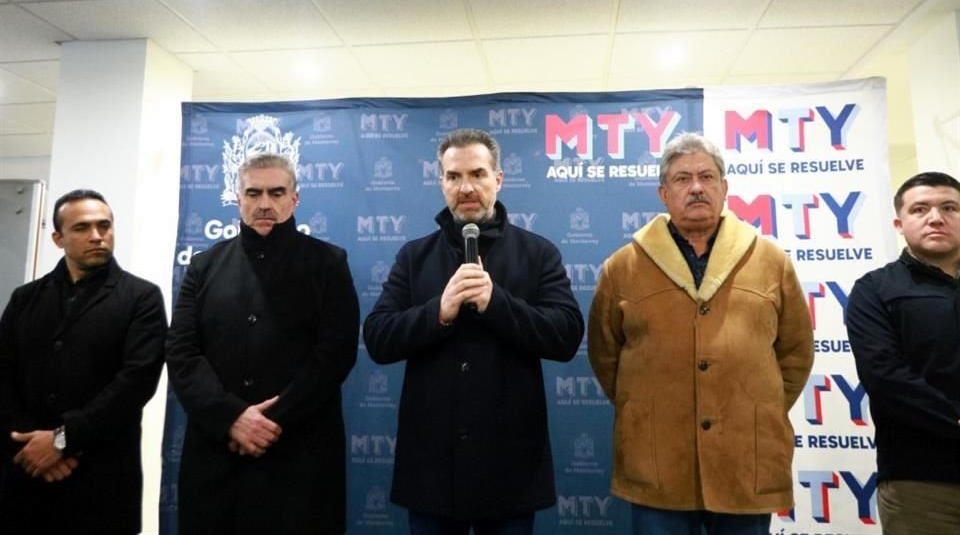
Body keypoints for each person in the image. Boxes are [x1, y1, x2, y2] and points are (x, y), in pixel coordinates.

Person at [588, 132, 814, 535]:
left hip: (746, 457)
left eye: (707, 177)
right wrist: (645, 406)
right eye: (682, 179)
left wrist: (756, 405)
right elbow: (607, 356)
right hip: (658, 459)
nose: (696, 188)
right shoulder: (622, 267)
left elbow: (795, 352)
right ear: (663, 192)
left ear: (724, 188)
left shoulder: (770, 261)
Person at [363, 128, 584, 534]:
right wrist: (439, 312)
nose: (466, 187)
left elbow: (566, 335)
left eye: (478, 174)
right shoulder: (414, 256)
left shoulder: (538, 253)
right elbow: (378, 337)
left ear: (498, 179)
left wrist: (495, 302)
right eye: (453, 176)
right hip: (431, 469)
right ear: (441, 182)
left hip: (510, 471)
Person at [166, 153, 359, 535]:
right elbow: (182, 352)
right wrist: (232, 418)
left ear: (295, 199)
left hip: (300, 456)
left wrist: (271, 419)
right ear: (238, 199)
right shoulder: (204, 266)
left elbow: (335, 354)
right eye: (253, 193)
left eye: (276, 192)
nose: (265, 204)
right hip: (217, 456)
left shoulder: (329, 263)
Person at [0, 189, 167, 535]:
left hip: (100, 479)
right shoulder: (26, 298)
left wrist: (62, 440)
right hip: (26, 475)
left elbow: (135, 383)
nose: (96, 236)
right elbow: (3, 377)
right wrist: (28, 446)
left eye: (104, 226)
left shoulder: (141, 298)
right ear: (58, 238)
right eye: (81, 228)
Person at [846, 171, 960, 534]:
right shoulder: (875, 290)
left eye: (949, 207)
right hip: (921, 484)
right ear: (899, 222)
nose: (936, 217)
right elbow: (885, 377)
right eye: (920, 209)